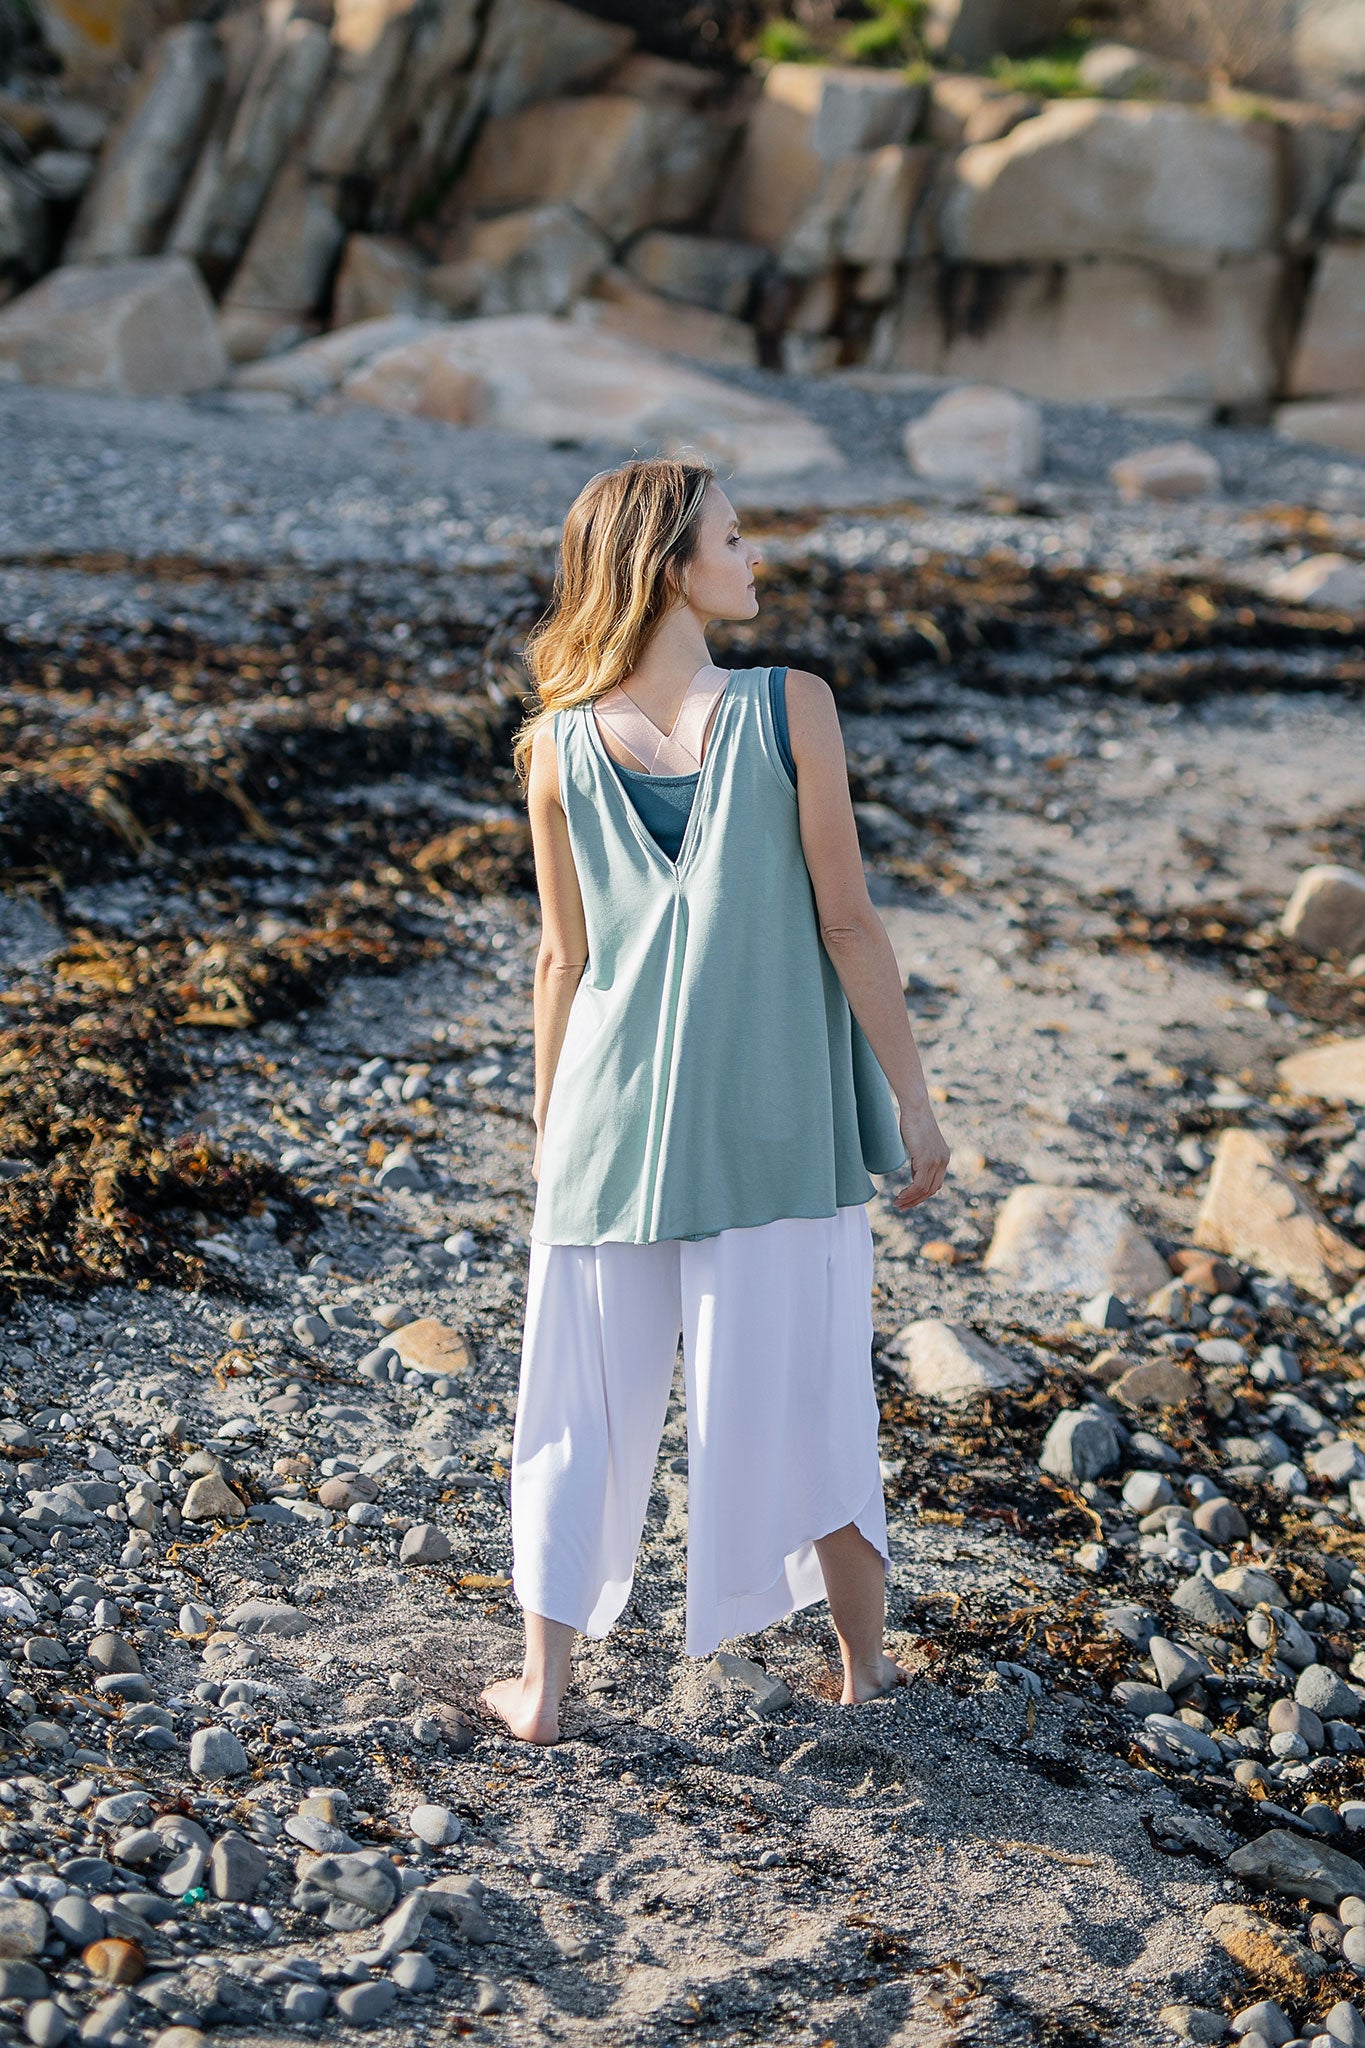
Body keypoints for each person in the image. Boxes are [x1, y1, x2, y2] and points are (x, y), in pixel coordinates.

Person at [480, 455, 950, 1746]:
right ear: (670, 567)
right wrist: (912, 1105)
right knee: (809, 1399)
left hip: (603, 1133)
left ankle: (544, 1691)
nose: (753, 562)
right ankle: (859, 1677)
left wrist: (545, 1132)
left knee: (576, 1405)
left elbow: (560, 963)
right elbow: (847, 925)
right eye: (732, 541)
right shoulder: (790, 706)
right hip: (774, 1136)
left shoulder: (556, 746)